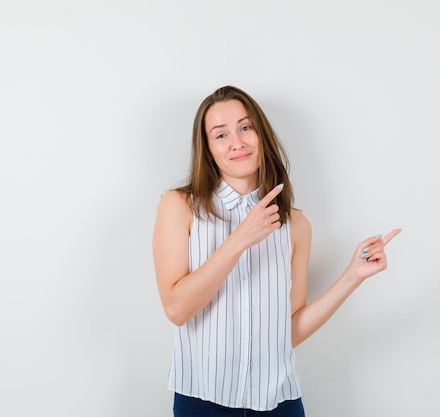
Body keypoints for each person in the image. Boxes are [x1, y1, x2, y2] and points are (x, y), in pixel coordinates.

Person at [152, 85, 400, 416]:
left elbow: (289, 332)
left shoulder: (296, 225)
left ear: (261, 134)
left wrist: (352, 276)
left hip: (279, 403)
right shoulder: (180, 206)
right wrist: (241, 238)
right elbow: (177, 309)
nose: (237, 142)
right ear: (208, 149)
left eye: (245, 127)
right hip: (201, 401)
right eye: (221, 135)